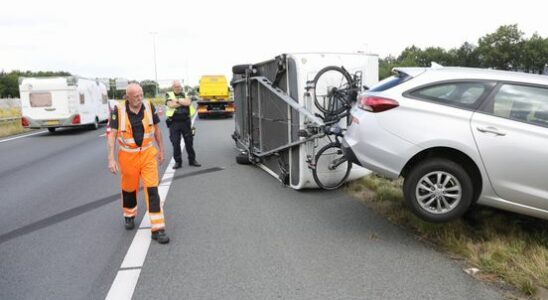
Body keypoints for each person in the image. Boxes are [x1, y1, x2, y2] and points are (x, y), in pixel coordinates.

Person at [107, 83, 169, 244]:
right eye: (136, 96)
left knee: (152, 188)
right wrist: (111, 159)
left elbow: (157, 130)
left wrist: (161, 150)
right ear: (127, 97)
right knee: (129, 188)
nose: (140, 98)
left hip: (148, 154)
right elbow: (112, 135)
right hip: (128, 156)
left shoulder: (148, 106)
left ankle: (158, 228)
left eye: (141, 95)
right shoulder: (118, 110)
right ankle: (129, 214)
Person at [166, 80, 201, 169]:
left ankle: (192, 160)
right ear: (173, 87)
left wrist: (177, 101)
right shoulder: (168, 95)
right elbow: (170, 105)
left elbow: (188, 103)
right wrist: (182, 102)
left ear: (181, 87)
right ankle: (178, 162)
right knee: (175, 142)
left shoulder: (185, 94)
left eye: (179, 87)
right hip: (174, 123)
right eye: (176, 87)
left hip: (186, 122)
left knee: (189, 142)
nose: (178, 88)